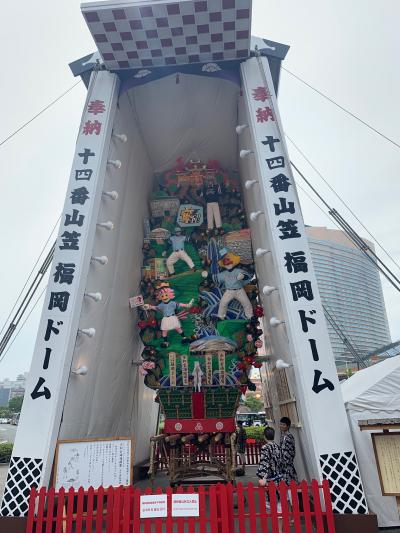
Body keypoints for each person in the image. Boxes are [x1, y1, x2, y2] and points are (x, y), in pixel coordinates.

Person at [257, 427, 283, 520]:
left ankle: (275, 524)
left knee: (271, 505)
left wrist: (263, 477)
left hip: (270, 480)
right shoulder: (277, 446)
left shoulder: (265, 448)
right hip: (279, 478)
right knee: (279, 505)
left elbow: (264, 463)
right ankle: (279, 527)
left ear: (264, 436)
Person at [279, 417, 298, 485]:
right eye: (281, 424)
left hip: (287, 465)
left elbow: (291, 452)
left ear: (288, 426)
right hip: (283, 465)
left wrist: (286, 462)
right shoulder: (282, 436)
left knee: (289, 484)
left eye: (284, 425)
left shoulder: (289, 437)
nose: (281, 426)